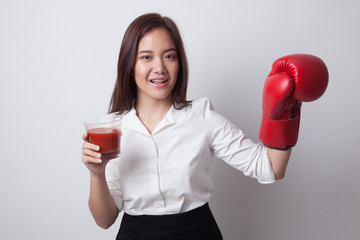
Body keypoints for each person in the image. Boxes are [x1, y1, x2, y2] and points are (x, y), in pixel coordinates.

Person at [81, 13, 328, 240]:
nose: (160, 68)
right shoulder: (111, 128)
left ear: (180, 63)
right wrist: (97, 172)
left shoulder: (201, 116)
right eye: (146, 57)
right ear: (129, 65)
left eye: (170, 56)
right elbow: (104, 220)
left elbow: (270, 168)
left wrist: (283, 113)